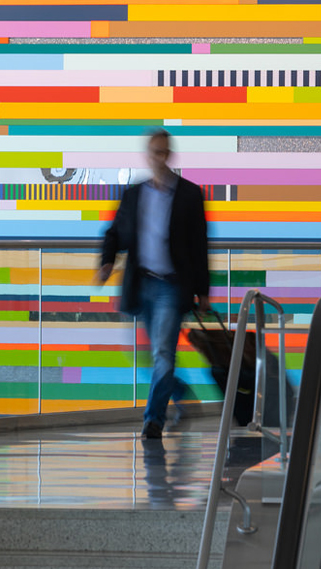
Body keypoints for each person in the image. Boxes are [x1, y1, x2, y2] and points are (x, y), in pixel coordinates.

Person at [96, 129, 210, 439]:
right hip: (141, 284)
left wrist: (203, 291)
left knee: (162, 353)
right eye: (153, 152)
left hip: (172, 287)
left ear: (169, 155)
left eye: (163, 152)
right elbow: (114, 232)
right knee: (143, 355)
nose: (158, 158)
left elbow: (200, 245)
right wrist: (107, 261)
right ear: (147, 156)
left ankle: (153, 420)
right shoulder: (135, 195)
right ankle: (183, 395)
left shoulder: (189, 195)